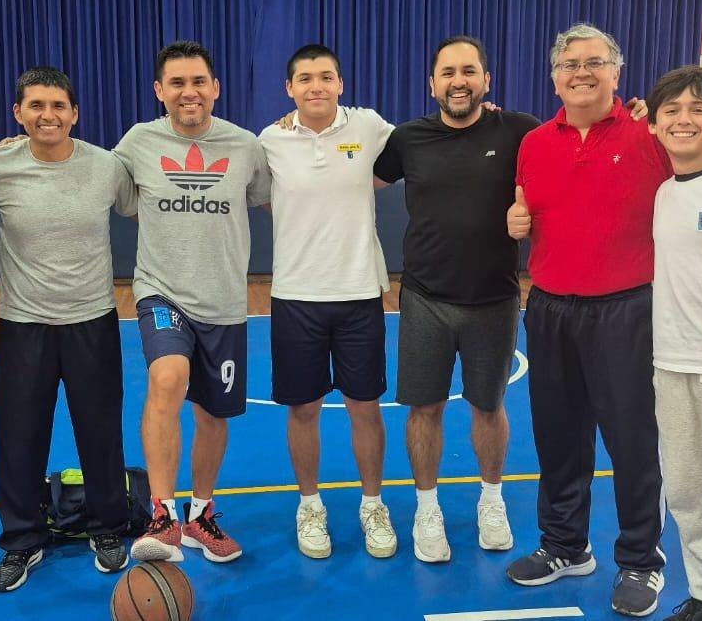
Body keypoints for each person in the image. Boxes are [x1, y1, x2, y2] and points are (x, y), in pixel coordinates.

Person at [506, 24, 674, 618]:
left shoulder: (650, 135)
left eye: (594, 62)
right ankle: (564, 546)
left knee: (633, 441)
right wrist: (516, 221)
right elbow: (526, 206)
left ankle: (641, 559)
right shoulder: (534, 143)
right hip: (550, 307)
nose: (581, 72)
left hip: (627, 310)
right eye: (570, 64)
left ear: (616, 73)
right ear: (554, 78)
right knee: (558, 437)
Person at [373, 36, 540, 563]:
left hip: (494, 298)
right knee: (424, 409)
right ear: (432, 84)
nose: (458, 81)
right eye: (448, 72)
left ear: (486, 80)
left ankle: (492, 500)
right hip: (426, 297)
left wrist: (634, 118)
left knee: (489, 406)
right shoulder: (408, 138)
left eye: (469, 71)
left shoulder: (520, 131)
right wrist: (297, 131)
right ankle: (427, 509)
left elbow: (572, 153)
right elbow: (345, 174)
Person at [0, 67, 136, 591]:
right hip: (24, 326)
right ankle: (22, 539)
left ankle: (108, 527)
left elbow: (149, 205)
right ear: (18, 113)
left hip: (93, 320)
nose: (48, 115)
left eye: (58, 106)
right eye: (36, 106)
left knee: (101, 432)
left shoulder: (106, 166)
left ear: (75, 113)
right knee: (20, 438)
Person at [115, 40, 271, 564]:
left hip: (224, 302)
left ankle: (200, 515)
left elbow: (279, 196)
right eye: (177, 83)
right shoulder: (138, 142)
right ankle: (162, 516)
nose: (189, 92)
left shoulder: (246, 146)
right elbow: (94, 177)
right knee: (167, 377)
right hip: (161, 290)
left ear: (215, 88)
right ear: (159, 91)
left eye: (198, 81)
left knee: (212, 413)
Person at [259, 44, 397, 560]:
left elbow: (432, 140)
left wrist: (487, 115)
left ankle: (373, 505)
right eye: (304, 78)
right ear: (289, 88)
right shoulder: (269, 140)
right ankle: (310, 506)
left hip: (359, 292)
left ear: (340, 83)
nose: (315, 86)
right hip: (296, 296)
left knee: (366, 407)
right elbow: (255, 191)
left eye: (325, 77)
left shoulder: (369, 127)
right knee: (304, 409)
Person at [646, 66, 702, 621]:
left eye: (698, 109)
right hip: (674, 365)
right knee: (690, 494)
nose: (683, 119)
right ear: (653, 125)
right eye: (671, 110)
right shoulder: (662, 193)